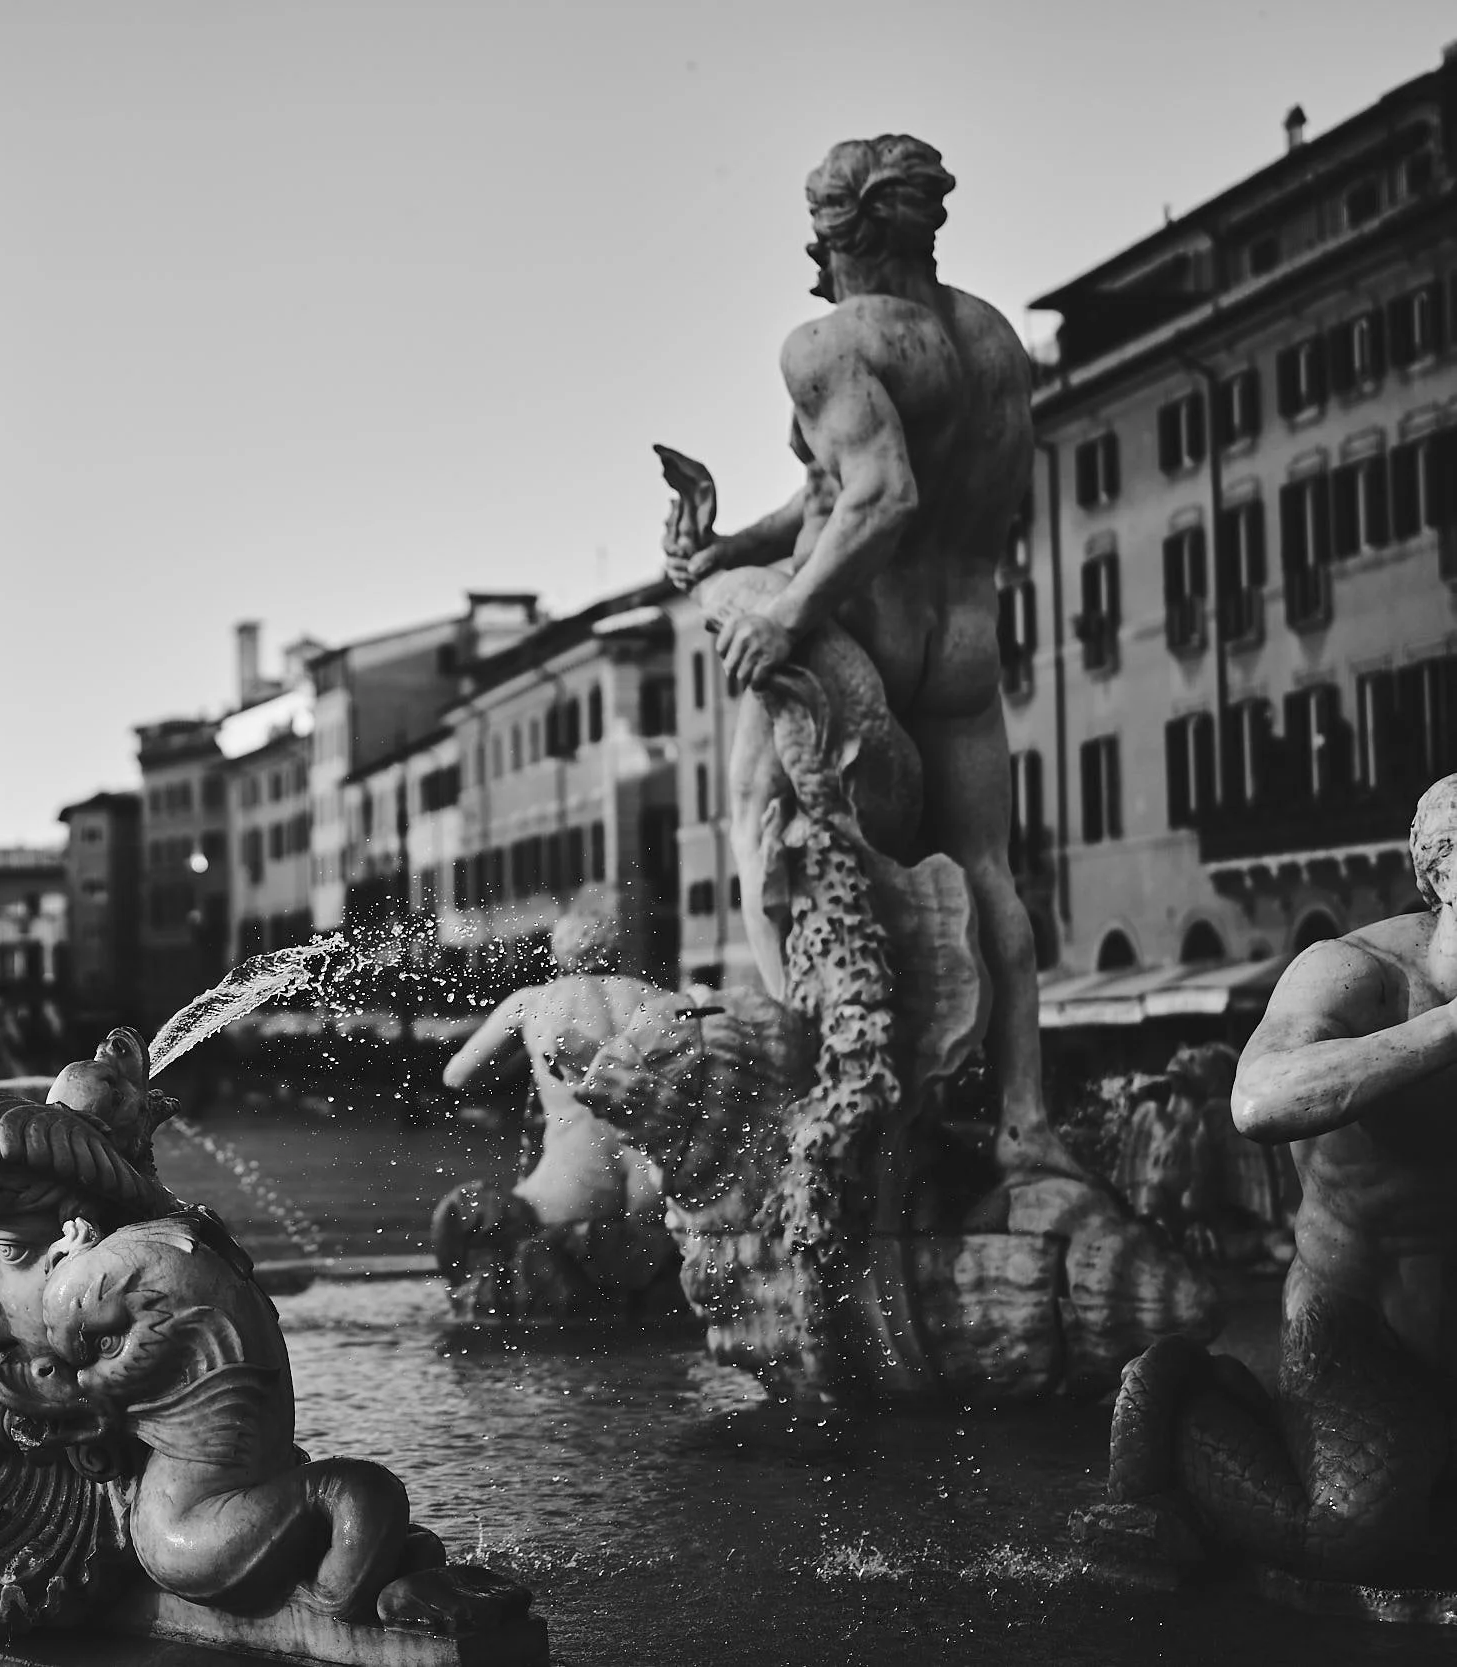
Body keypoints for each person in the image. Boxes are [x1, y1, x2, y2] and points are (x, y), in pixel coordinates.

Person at [663, 134, 1073, 1181]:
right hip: (968, 645)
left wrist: (784, 609)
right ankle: (1026, 1119)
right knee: (987, 874)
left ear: (833, 235)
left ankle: (827, 1083)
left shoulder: (828, 343)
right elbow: (826, 496)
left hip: (869, 632)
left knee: (769, 838)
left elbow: (880, 498)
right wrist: (725, 548)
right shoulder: (990, 340)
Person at [1096, 776, 1457, 1582]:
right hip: (1361, 1324)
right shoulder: (1353, 972)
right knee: (1351, 1535)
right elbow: (1259, 1099)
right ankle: (1194, 1400)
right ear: (1441, 874)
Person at [432, 912, 678, 1315]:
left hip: (568, 1196)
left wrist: (518, 1062)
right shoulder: (659, 1002)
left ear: (558, 954)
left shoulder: (533, 1003)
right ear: (617, 950)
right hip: (653, 1194)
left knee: (462, 1211)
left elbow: (458, 1076)